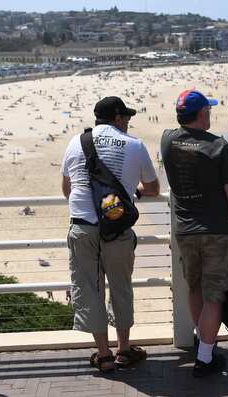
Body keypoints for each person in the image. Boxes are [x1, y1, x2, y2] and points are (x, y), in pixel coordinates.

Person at [61, 96, 160, 373]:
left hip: (82, 225)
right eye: (126, 117)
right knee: (120, 287)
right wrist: (134, 192)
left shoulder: (75, 143)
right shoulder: (134, 145)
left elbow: (67, 189)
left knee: (89, 289)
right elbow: (152, 188)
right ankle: (124, 350)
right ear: (117, 118)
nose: (128, 121)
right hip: (116, 227)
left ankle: (103, 355)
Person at [161, 89, 228, 377]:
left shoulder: (168, 140)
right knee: (214, 296)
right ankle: (206, 358)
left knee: (195, 287)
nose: (210, 114)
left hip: (185, 230)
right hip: (216, 231)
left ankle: (203, 342)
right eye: (207, 110)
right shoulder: (218, 147)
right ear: (201, 114)